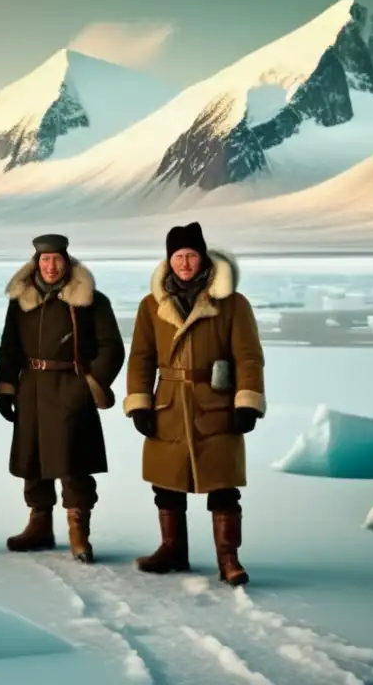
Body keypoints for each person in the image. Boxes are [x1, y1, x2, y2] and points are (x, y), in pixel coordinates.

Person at [124, 221, 265, 586]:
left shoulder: (231, 303)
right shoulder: (151, 305)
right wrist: (139, 403)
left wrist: (246, 402)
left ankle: (228, 558)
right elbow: (140, 356)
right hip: (168, 403)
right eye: (178, 256)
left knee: (222, 485)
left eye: (190, 255)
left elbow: (248, 357)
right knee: (167, 483)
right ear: (169, 260)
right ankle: (172, 549)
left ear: (202, 258)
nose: (184, 263)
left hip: (216, 405)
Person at [0, 234, 125, 564]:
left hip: (71, 386)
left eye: (56, 259)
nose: (50, 266)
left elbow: (112, 347)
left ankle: (78, 532)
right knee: (33, 461)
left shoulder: (90, 300)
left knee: (73, 462)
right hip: (31, 388)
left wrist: (90, 384)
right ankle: (39, 525)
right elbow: (9, 347)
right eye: (44, 259)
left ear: (67, 261)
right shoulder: (22, 301)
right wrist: (6, 388)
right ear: (35, 262)